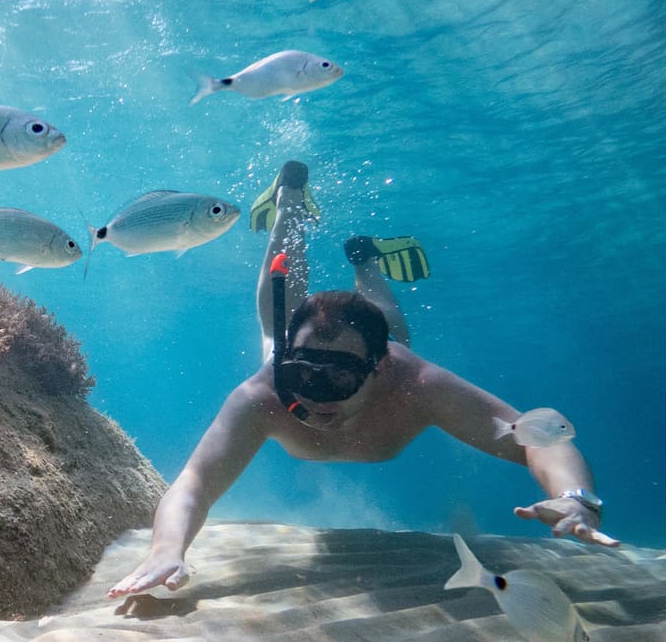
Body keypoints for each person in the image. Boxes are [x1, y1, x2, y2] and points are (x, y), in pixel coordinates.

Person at [108, 160, 620, 600]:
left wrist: (575, 497)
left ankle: (367, 261)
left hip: (388, 346)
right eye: (303, 371)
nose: (314, 393)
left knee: (390, 321)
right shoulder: (264, 393)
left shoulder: (416, 383)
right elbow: (195, 483)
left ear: (380, 368)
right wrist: (167, 550)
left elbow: (537, 437)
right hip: (291, 336)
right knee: (277, 315)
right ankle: (289, 206)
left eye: (338, 377)